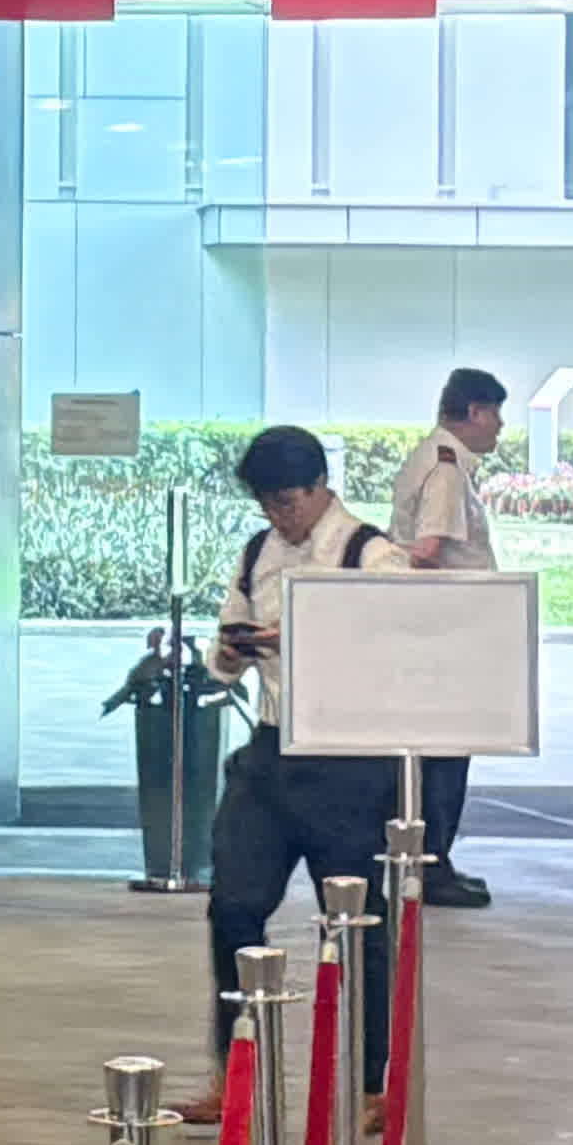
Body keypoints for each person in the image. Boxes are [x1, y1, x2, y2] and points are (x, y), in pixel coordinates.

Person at [200, 425, 408, 1061]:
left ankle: (371, 1080)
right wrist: (232, 653)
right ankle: (235, 1072)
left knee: (354, 924)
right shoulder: (256, 552)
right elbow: (223, 648)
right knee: (232, 905)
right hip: (269, 752)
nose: (278, 517)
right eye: (266, 504)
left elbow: (397, 650)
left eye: (288, 502)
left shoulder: (372, 555)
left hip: (349, 761)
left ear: (321, 487)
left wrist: (300, 638)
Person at [385, 368, 509, 910]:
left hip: (431, 627)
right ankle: (431, 865)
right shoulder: (447, 469)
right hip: (444, 628)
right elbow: (426, 550)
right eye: (496, 414)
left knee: (435, 752)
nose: (500, 426)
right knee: (445, 752)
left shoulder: (431, 456)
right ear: (475, 412)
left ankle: (433, 860)